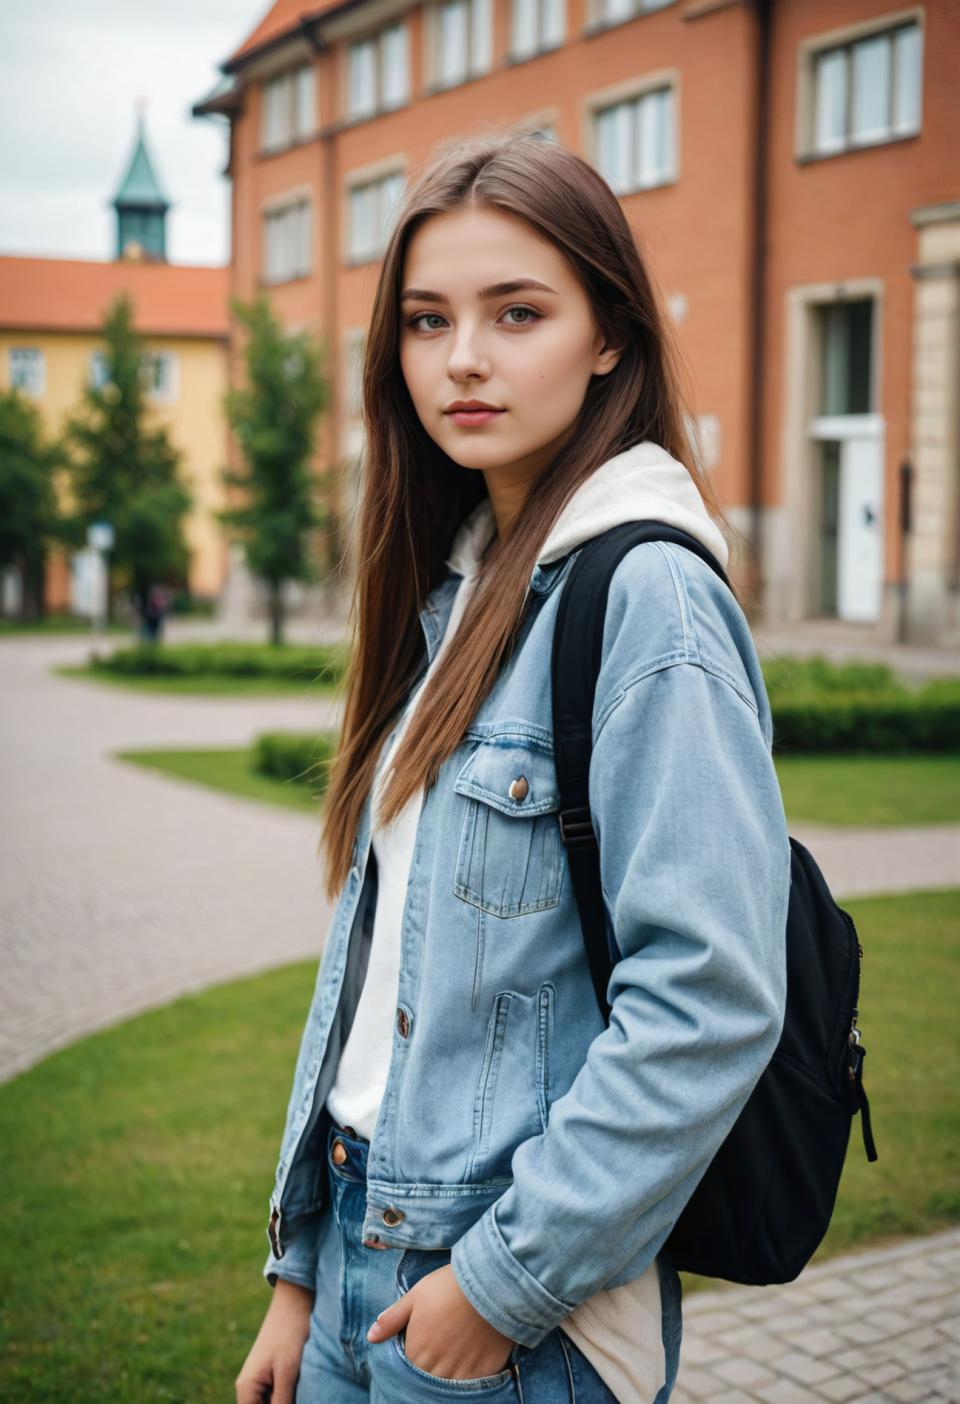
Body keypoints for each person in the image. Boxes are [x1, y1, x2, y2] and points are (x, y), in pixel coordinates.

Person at [236, 130, 791, 1404]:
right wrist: (300, 1268)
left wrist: (500, 1284)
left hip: (508, 1299)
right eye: (428, 321)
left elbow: (709, 1000)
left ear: (610, 337)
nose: (463, 358)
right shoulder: (465, 585)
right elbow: (376, 975)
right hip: (354, 1252)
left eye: (518, 311)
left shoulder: (646, 594)